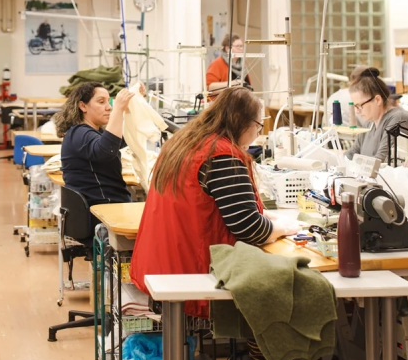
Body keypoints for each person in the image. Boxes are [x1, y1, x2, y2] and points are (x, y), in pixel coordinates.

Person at [131, 86, 297, 314]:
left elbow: (205, 205)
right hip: (195, 273)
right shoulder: (222, 155)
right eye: (259, 126)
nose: (258, 134)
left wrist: (265, 215)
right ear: (243, 122)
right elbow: (249, 228)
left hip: (162, 265)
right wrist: (286, 228)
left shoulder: (183, 144)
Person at [54, 82, 137, 205]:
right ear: (83, 106)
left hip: (106, 202)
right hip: (101, 206)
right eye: (101, 102)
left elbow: (120, 141)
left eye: (109, 102)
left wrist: (135, 100)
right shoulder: (79, 133)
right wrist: (118, 109)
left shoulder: (95, 132)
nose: (109, 107)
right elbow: (106, 151)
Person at [346, 67, 408, 162]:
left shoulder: (398, 118)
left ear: (377, 100)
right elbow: (352, 153)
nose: (357, 111)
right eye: (355, 106)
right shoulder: (369, 124)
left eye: (359, 106)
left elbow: (379, 160)